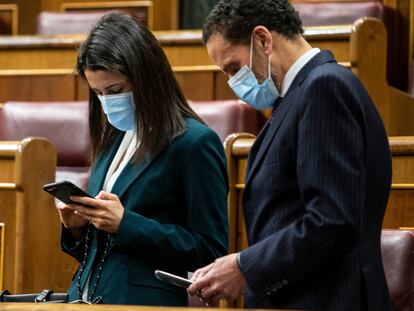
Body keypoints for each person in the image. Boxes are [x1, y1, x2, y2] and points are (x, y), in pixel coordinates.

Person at [188, 1, 392, 310]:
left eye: (233, 67)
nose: (233, 83)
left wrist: (245, 267)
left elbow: (332, 221)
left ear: (263, 40)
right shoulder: (297, 95)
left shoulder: (324, 87)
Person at [56, 13, 229, 306]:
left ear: (146, 78)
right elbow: (101, 251)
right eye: (97, 93)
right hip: (85, 299)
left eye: (114, 91)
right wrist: (78, 227)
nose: (107, 102)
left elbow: (210, 249)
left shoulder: (195, 143)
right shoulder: (112, 138)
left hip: (143, 302)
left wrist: (126, 224)